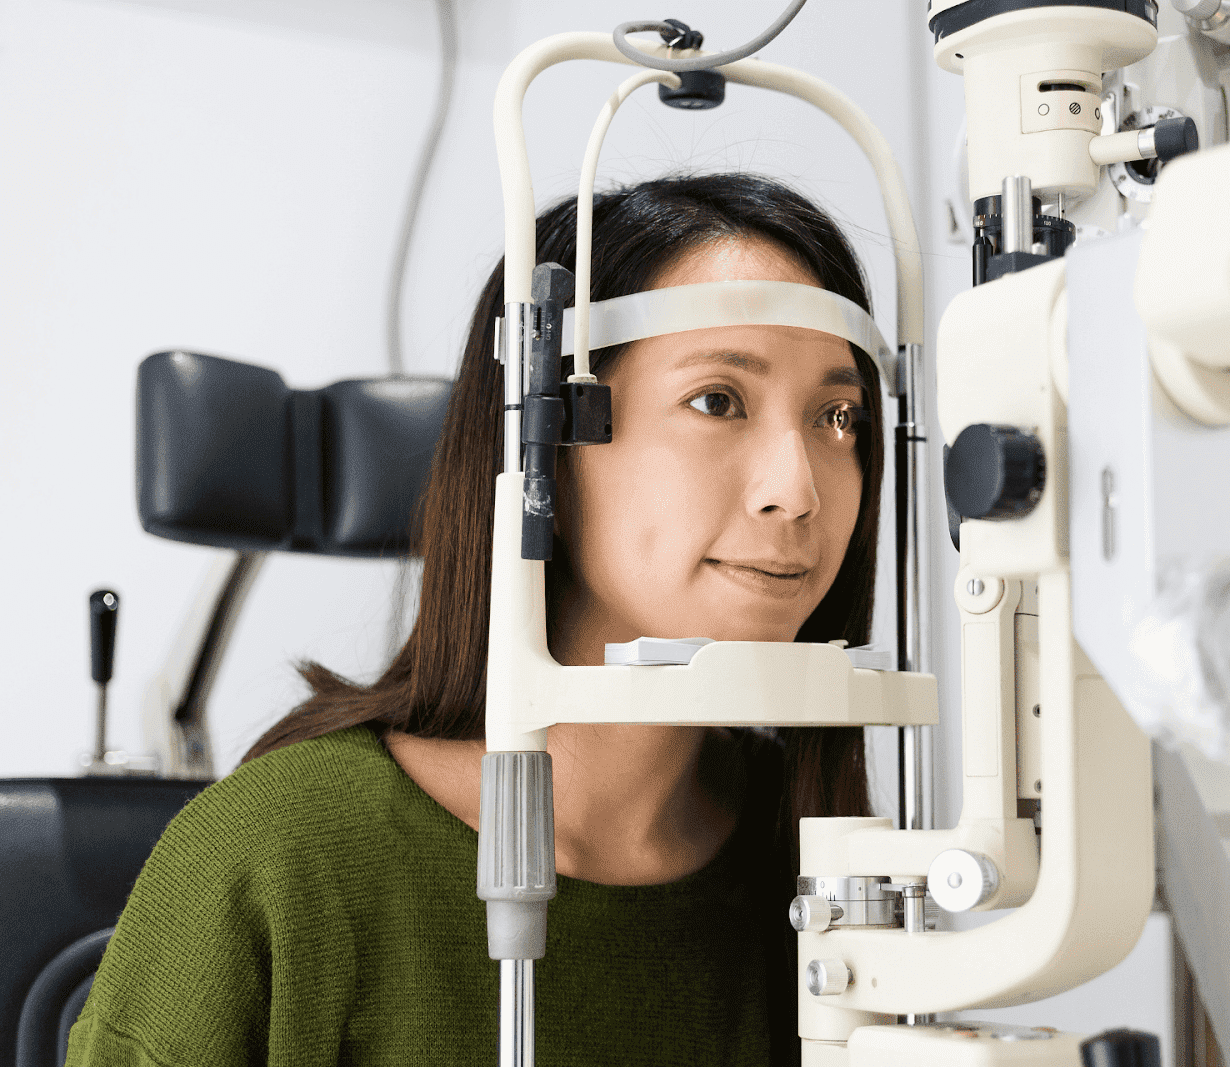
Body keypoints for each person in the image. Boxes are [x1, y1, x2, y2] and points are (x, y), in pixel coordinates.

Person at [65, 173, 885, 1067]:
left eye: (836, 416)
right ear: (546, 450)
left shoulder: (819, 851)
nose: (798, 488)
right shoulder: (277, 856)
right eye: (717, 400)